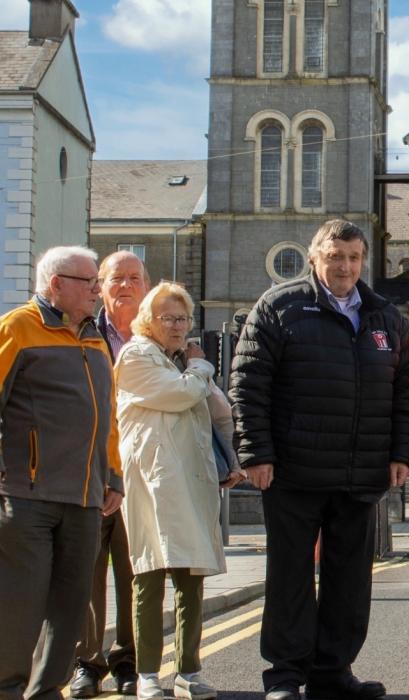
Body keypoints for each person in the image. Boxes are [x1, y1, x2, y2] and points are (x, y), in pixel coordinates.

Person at [229, 219, 409, 700]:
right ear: (315, 257)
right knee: (291, 576)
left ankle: (333, 672)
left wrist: (401, 452)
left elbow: (404, 391)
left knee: (349, 581)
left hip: (360, 473)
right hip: (293, 470)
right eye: (335, 257)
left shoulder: (385, 316)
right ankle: (285, 675)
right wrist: (256, 452)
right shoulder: (279, 306)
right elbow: (248, 384)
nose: (345, 267)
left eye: (354, 258)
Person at [0, 246, 122, 700]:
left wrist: (113, 475)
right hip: (26, 495)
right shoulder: (17, 327)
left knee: (71, 607)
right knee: (21, 604)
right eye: (89, 281)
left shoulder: (94, 339)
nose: (97, 290)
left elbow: (108, 415)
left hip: (86, 497)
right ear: (56, 284)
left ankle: (47, 690)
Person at [116, 283, 242, 700]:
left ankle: (189, 672)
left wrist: (231, 461)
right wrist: (202, 368)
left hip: (191, 479)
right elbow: (180, 394)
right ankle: (148, 675)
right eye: (167, 318)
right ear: (147, 320)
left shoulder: (181, 360)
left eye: (183, 318)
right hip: (155, 482)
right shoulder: (136, 356)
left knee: (191, 581)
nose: (177, 326)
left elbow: (218, 410)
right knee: (150, 576)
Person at [70, 250, 148, 699]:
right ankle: (88, 662)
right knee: (87, 572)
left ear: (146, 285)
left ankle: (128, 661)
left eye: (134, 278)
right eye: (116, 278)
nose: (126, 285)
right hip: (91, 470)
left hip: (142, 474)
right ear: (100, 287)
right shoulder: (80, 331)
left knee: (137, 573)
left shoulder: (161, 336)